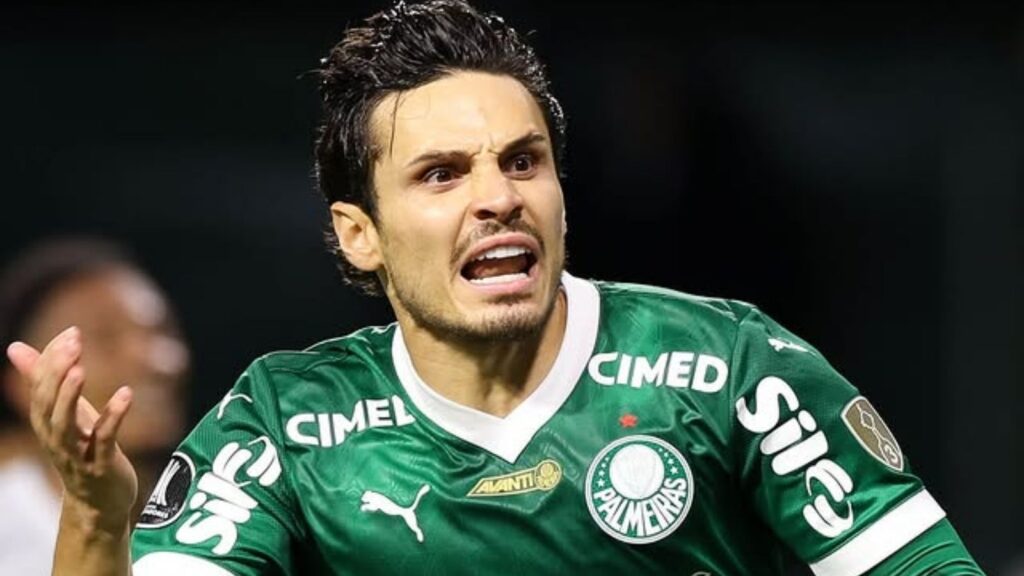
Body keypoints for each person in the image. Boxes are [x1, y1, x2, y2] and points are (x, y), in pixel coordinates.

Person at [6, 1, 983, 574]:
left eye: (523, 161)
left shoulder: (730, 368)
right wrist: (93, 517)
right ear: (360, 235)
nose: (498, 198)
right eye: (441, 174)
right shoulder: (284, 427)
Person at [0, 237, 189, 575]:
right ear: (27, 383)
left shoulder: (218, 516)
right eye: (105, 337)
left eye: (162, 331)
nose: (158, 361)